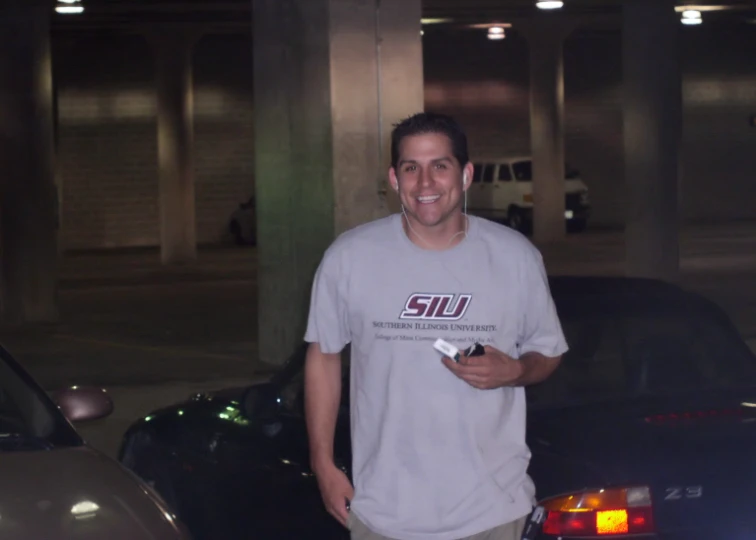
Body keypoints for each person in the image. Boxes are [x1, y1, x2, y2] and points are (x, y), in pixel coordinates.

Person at [303, 112, 568, 540]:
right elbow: (324, 356)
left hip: (493, 512)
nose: (425, 184)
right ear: (394, 178)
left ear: (465, 175)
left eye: (439, 166)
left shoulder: (514, 257)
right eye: (411, 168)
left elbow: (549, 350)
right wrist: (323, 463)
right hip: (383, 514)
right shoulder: (349, 257)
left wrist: (516, 370)